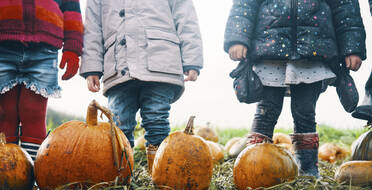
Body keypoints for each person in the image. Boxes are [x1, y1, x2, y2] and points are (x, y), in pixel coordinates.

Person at [224, 0, 366, 177]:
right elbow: (245, 5)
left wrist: (352, 48)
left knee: (305, 112)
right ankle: (252, 168)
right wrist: (238, 38)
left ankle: (307, 171)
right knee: (265, 112)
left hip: (313, 51)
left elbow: (345, 8)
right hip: (269, 51)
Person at [80, 0, 203, 173]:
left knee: (156, 117)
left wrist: (192, 60)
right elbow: (92, 28)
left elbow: (185, 16)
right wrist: (91, 66)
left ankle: (160, 173)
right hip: (118, 67)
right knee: (118, 123)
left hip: (160, 61)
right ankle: (121, 175)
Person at [0, 0, 83, 161]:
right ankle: (6, 171)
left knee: (33, 112)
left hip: (44, 48)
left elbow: (71, 7)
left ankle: (30, 172)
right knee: (5, 113)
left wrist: (73, 48)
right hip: (3, 45)